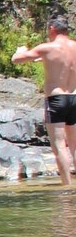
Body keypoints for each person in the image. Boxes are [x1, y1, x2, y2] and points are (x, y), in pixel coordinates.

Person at [13, 16, 76, 185]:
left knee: (59, 145)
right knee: (74, 145)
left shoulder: (47, 47)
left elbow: (17, 60)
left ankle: (67, 187)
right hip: (74, 97)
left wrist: (20, 50)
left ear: (52, 29)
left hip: (56, 99)